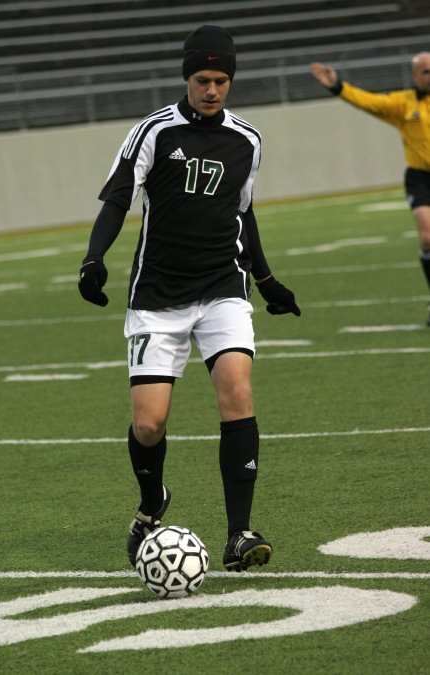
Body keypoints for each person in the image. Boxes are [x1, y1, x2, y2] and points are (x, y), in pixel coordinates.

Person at [78, 25, 301, 572]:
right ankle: (152, 500)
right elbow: (116, 200)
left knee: (237, 391)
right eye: (203, 79)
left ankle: (239, 534)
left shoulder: (247, 140)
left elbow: (242, 213)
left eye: (221, 80)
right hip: (157, 294)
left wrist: (267, 281)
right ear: (187, 77)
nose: (212, 89)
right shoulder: (154, 132)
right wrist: (93, 259)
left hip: (223, 287)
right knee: (149, 424)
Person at [310, 54, 430, 326]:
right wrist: (337, 86)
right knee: (427, 238)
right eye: (425, 71)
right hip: (420, 177)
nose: (429, 75)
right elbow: (370, 102)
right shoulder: (404, 103)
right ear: (414, 76)